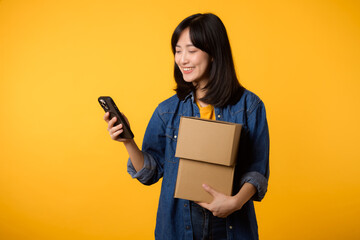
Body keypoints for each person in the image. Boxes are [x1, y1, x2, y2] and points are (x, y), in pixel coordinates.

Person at [103, 13, 269, 240]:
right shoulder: (167, 111)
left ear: (214, 54)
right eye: (178, 51)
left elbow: (257, 170)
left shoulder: (249, 106)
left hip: (232, 229)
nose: (182, 59)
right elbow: (149, 173)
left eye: (191, 51)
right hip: (179, 229)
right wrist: (128, 141)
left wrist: (235, 202)